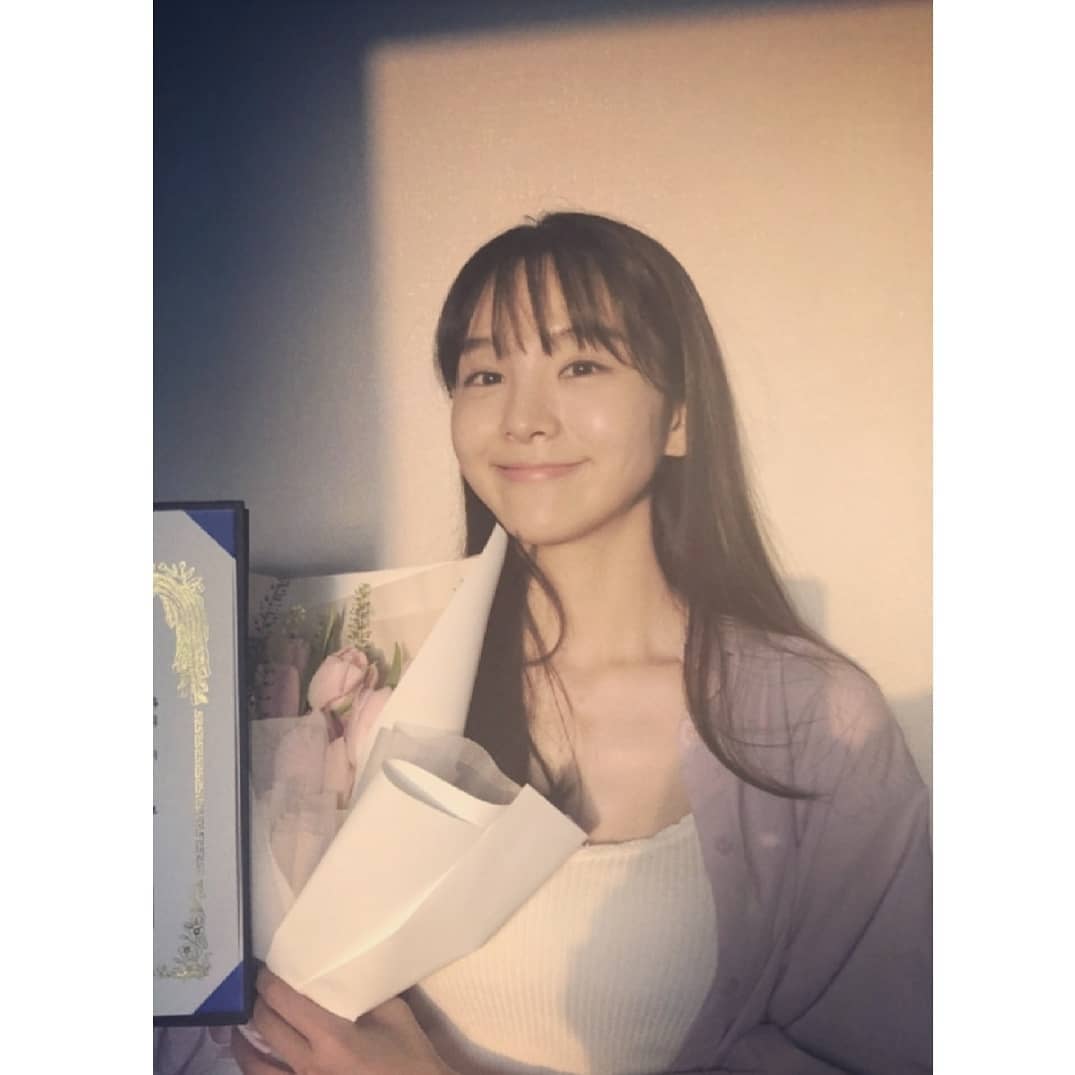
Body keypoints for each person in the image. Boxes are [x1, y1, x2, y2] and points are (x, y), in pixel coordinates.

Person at [232, 212, 931, 1074]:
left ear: (678, 418)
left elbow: (882, 1049)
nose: (522, 418)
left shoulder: (813, 717)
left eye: (581, 364)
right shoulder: (378, 674)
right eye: (485, 373)